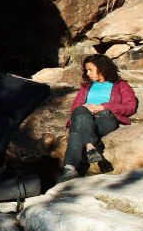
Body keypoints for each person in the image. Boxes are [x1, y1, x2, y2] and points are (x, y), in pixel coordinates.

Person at [57, 54, 137, 182]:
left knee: (77, 130)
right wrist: (85, 107)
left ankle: (69, 168)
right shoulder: (86, 87)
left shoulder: (121, 85)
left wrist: (103, 107)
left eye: (90, 70)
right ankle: (90, 147)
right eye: (86, 70)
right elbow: (75, 108)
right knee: (80, 112)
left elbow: (130, 107)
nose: (88, 73)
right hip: (84, 117)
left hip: (106, 118)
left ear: (102, 69)